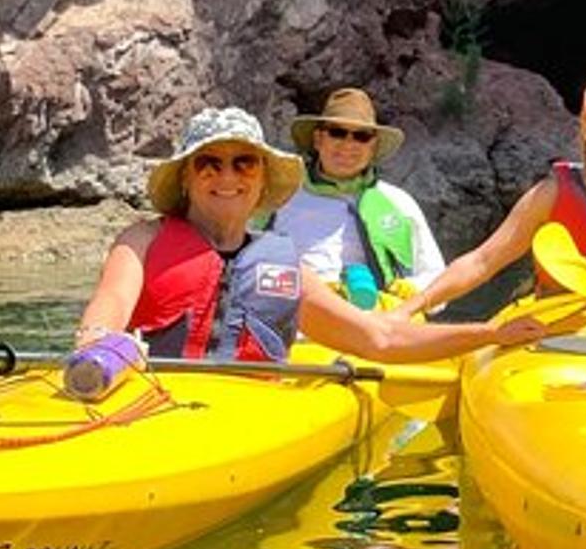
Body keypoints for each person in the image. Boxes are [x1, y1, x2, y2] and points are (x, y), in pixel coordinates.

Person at [76, 107, 544, 364]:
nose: (227, 177)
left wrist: (491, 333)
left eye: (243, 163)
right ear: (185, 177)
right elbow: (107, 311)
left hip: (252, 416)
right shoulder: (141, 241)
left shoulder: (285, 267)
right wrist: (96, 349)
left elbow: (379, 339)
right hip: (154, 399)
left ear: (261, 180)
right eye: (209, 163)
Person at [395, 75, 586, 318]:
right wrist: (410, 308)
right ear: (585, 128)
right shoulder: (549, 196)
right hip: (561, 332)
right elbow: (483, 261)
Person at [270, 87, 445, 302]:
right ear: (318, 139)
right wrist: (315, 293)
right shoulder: (279, 197)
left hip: (378, 322)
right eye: (337, 132)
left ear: (372, 147)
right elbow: (249, 269)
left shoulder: (399, 203)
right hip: (297, 326)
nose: (348, 145)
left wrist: (412, 289)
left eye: (361, 136)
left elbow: (437, 278)